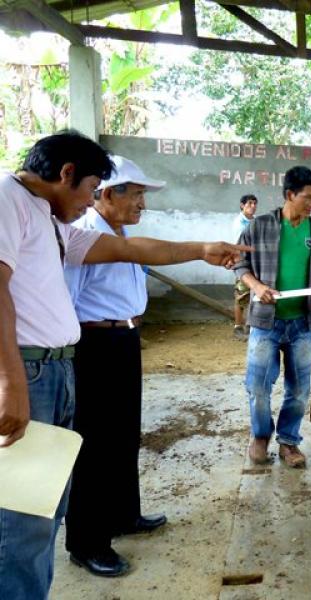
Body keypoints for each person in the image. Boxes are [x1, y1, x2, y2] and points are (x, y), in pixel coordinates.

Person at [0, 131, 248, 599]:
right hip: (30, 369)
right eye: (92, 188)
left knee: (44, 505)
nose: (91, 200)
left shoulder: (49, 218)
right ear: (67, 173)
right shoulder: (6, 199)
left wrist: (200, 248)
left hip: (56, 367)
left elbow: (134, 250)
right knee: (23, 515)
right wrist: (9, 379)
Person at [62, 156, 169, 577]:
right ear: (107, 194)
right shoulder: (87, 234)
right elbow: (68, 300)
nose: (143, 203)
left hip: (123, 339)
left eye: (143, 195)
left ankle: (125, 514)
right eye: (137, 194)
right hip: (96, 344)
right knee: (95, 446)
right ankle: (87, 542)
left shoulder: (120, 233)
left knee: (124, 435)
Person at [235, 166, 311, 469]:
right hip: (266, 321)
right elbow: (239, 262)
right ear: (290, 194)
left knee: (300, 389)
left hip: (302, 323)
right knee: (258, 386)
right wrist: (257, 286)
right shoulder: (259, 226)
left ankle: (289, 441)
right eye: (308, 197)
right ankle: (261, 435)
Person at [233, 194, 258, 340]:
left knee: (253, 295)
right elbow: (240, 245)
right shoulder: (239, 223)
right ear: (242, 205)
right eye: (249, 203)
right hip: (242, 262)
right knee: (240, 295)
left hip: (254, 263)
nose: (253, 206)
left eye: (255, 203)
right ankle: (238, 327)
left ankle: (249, 326)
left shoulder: (255, 221)